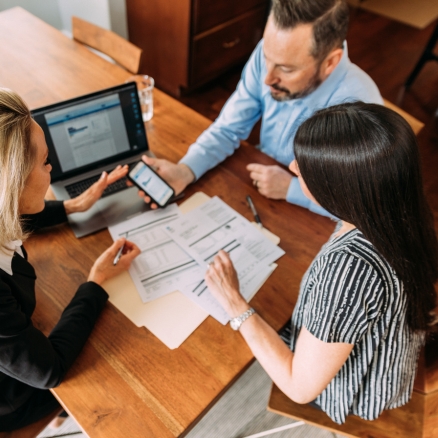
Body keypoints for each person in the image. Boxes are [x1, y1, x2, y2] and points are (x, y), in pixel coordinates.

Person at [204, 102, 438, 424]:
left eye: (305, 168)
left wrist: (234, 303)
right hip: (393, 350)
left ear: (339, 191)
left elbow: (299, 388)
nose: (292, 167)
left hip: (359, 389)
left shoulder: (349, 273)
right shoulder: (397, 206)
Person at [137, 0, 382, 217]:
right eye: (267, 58)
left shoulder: (362, 108)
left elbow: (364, 205)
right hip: (257, 188)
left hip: (314, 219)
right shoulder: (271, 55)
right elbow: (227, 129)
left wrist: (292, 189)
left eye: (286, 69)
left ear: (330, 62)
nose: (267, 78)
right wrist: (185, 170)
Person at [0, 88, 141, 431]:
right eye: (46, 161)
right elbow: (49, 371)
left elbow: (11, 214)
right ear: (13, 183)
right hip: (12, 398)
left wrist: (71, 206)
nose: (52, 168)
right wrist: (94, 283)